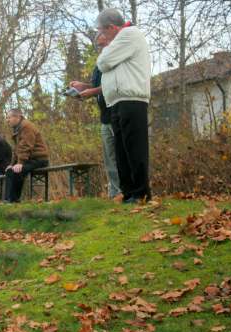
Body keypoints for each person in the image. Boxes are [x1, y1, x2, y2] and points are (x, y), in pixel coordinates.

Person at [96, 8, 152, 203]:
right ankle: (128, 193)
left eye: (102, 31)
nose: (101, 36)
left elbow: (103, 62)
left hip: (132, 100)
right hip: (117, 102)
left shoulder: (129, 34)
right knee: (121, 151)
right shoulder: (118, 41)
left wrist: (106, 52)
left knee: (135, 148)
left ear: (112, 27)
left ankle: (141, 193)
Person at [70, 33, 121, 199]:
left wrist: (92, 91)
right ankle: (115, 193)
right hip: (105, 118)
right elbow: (97, 86)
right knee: (110, 158)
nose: (100, 47)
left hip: (117, 113)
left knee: (122, 155)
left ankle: (129, 191)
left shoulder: (116, 58)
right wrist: (82, 86)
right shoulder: (99, 63)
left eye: (102, 43)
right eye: (98, 45)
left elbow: (112, 84)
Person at [4, 109, 49, 203]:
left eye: (9, 118)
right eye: (6, 118)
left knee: (17, 171)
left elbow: (26, 146)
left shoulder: (26, 126)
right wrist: (12, 164)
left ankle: (14, 201)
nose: (7, 120)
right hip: (29, 159)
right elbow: (17, 149)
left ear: (18, 117)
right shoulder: (18, 128)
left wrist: (20, 163)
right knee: (9, 170)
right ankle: (8, 199)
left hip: (39, 159)